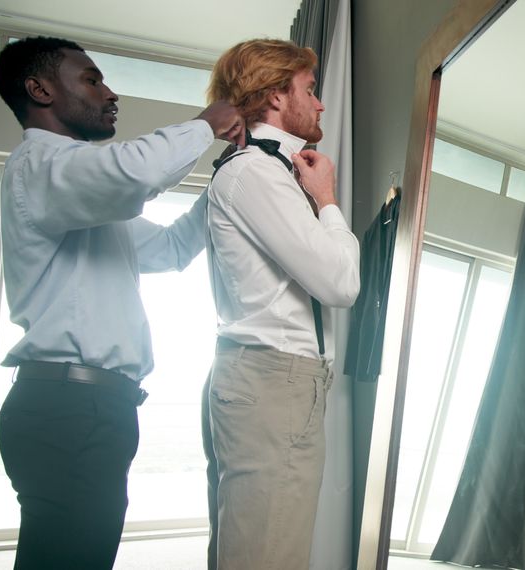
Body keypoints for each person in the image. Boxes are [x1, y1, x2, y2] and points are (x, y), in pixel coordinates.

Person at [0, 36, 244, 569]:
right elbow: (136, 172)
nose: (109, 93)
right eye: (91, 79)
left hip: (91, 409)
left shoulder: (81, 196)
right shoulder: (40, 167)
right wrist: (207, 123)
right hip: (68, 409)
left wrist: (226, 175)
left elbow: (173, 249)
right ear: (39, 90)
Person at [202, 39, 360, 570]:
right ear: (274, 96)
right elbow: (340, 284)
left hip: (276, 382)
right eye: (310, 90)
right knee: (267, 555)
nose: (319, 105)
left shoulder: (268, 171)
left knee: (259, 547)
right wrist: (328, 200)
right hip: (274, 382)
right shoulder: (257, 172)